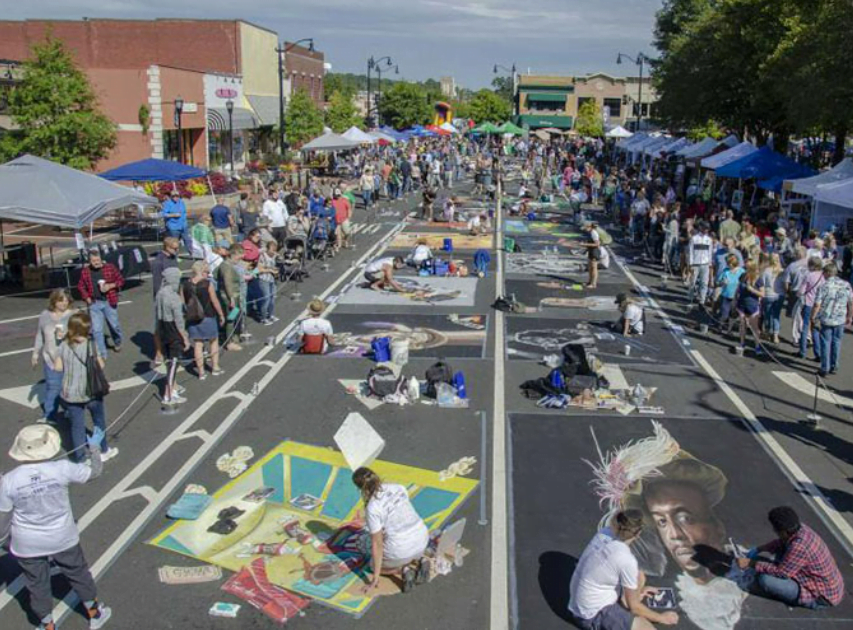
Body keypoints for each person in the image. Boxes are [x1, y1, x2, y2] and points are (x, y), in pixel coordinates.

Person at [0, 424, 112, 630]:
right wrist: (94, 449)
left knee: (37, 585)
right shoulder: (62, 468)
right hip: (63, 536)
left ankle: (47, 625)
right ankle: (95, 614)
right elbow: (95, 472)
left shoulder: (9, 481)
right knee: (78, 573)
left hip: (28, 544)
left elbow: (3, 520)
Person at [569, 510, 678, 630]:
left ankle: (626, 600)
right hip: (591, 615)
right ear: (638, 533)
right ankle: (624, 606)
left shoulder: (604, 533)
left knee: (639, 575)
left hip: (581, 599)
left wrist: (637, 593)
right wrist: (662, 618)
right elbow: (634, 608)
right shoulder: (626, 559)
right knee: (646, 627)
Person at [737, 506, 843, 609]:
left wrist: (750, 563)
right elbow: (781, 542)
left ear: (784, 532)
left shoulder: (799, 547)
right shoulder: (801, 529)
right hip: (829, 585)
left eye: (776, 530)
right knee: (780, 552)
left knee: (766, 580)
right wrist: (759, 549)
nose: (775, 531)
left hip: (821, 597)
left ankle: (796, 599)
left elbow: (781, 573)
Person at [352, 467, 430, 594]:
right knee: (404, 546)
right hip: (422, 537)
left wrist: (374, 580)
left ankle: (402, 570)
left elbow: (377, 545)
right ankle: (421, 559)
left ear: (360, 488)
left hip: (400, 549)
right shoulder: (398, 487)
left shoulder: (372, 508)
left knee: (372, 566)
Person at [56, 313, 117, 463]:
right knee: (98, 420)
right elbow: (101, 365)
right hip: (91, 390)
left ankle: (80, 459)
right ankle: (103, 450)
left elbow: (57, 367)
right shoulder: (90, 345)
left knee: (77, 427)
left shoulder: (64, 345)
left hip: (70, 393)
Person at [32, 290, 74, 424]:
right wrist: (35, 353)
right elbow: (40, 335)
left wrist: (66, 335)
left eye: (66, 300)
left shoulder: (73, 315)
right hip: (50, 358)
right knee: (52, 387)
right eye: (61, 300)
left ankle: (70, 410)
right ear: (54, 301)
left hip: (69, 358)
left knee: (67, 387)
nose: (64, 303)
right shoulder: (45, 315)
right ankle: (50, 415)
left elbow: (81, 335)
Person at [76, 249, 125, 360]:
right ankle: (102, 354)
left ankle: (118, 341)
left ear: (101, 259)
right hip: (94, 303)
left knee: (114, 325)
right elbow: (81, 286)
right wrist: (86, 297)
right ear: (89, 261)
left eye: (97, 260)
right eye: (93, 261)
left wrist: (111, 286)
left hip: (109, 301)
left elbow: (121, 280)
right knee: (96, 330)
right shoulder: (85, 271)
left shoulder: (110, 267)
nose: (96, 262)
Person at [810, 262, 853, 376]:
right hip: (840, 318)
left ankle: (825, 368)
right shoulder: (846, 285)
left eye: (824, 272)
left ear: (828, 273)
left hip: (827, 318)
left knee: (825, 343)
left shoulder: (824, 286)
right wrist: (850, 316)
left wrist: (813, 317)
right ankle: (834, 365)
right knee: (837, 342)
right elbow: (851, 303)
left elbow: (817, 304)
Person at [184, 261, 225, 380]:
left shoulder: (185, 284)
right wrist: (221, 314)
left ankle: (201, 372)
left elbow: (183, 302)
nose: (208, 274)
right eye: (207, 272)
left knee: (198, 344)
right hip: (208, 316)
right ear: (202, 271)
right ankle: (215, 367)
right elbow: (214, 301)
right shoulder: (207, 284)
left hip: (192, 317)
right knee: (213, 341)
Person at [156, 267, 190, 405]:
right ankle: (168, 394)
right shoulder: (174, 297)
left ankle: (173, 389)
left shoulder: (160, 293)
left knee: (169, 361)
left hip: (162, 328)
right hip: (173, 331)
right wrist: (185, 338)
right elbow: (179, 321)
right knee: (174, 363)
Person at [150, 237, 180, 366]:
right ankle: (159, 352)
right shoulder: (158, 262)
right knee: (160, 325)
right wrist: (159, 300)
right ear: (166, 247)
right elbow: (157, 284)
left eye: (178, 247)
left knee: (175, 323)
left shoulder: (173, 258)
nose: (177, 250)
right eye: (174, 248)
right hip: (162, 297)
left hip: (174, 295)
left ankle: (173, 349)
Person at [216, 244, 247, 351]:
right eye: (239, 256)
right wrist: (232, 299)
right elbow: (227, 283)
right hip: (230, 298)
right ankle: (229, 342)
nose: (240, 259)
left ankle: (233, 337)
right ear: (233, 254)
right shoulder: (227, 267)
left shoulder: (225, 265)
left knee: (233, 318)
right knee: (230, 318)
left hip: (233, 296)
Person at [797, 256, 826, 360]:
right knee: (816, 329)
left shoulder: (808, 276)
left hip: (808, 303)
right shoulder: (823, 276)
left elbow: (801, 291)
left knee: (805, 327)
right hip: (819, 305)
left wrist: (798, 294)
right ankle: (817, 353)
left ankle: (802, 351)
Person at [735, 261, 765, 355]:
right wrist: (735, 298)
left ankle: (757, 346)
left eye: (747, 268)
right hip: (741, 304)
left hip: (753, 306)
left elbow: (762, 294)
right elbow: (738, 288)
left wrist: (752, 290)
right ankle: (742, 343)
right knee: (742, 325)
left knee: (754, 327)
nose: (745, 269)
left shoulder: (759, 279)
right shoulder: (743, 276)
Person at [759, 253, 785, 344]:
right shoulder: (782, 271)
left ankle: (767, 331)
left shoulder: (766, 270)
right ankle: (775, 335)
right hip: (779, 295)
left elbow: (763, 283)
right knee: (776, 316)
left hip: (769, 294)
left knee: (768, 314)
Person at [688, 221, 714, 308]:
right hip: (695, 263)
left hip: (705, 264)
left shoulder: (709, 240)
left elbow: (709, 252)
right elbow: (690, 251)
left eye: (707, 229)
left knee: (704, 283)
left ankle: (702, 301)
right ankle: (690, 298)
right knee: (693, 282)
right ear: (701, 228)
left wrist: (710, 263)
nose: (706, 230)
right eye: (704, 228)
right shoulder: (694, 238)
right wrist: (690, 264)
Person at [161, 190, 192, 255]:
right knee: (175, 242)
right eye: (174, 196)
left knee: (188, 240)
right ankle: (175, 255)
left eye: (177, 196)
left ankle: (192, 253)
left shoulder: (181, 202)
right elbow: (164, 214)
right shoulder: (167, 203)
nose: (176, 198)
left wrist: (187, 214)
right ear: (171, 197)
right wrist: (173, 215)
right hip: (174, 226)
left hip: (183, 225)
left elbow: (184, 212)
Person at [257, 240, 280, 325]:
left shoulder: (274, 255)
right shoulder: (262, 256)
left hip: (272, 279)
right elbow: (259, 269)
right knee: (266, 299)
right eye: (272, 250)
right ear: (267, 249)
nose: (273, 252)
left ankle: (271, 315)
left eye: (275, 250)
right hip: (264, 279)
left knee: (273, 298)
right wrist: (270, 270)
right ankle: (263, 318)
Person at [581, 222, 602, 289]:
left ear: (589, 227)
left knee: (594, 268)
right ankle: (589, 282)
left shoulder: (594, 233)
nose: (584, 229)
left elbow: (597, 244)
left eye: (585, 227)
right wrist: (585, 250)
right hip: (591, 251)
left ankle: (593, 284)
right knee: (590, 267)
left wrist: (584, 245)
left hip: (594, 251)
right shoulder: (590, 232)